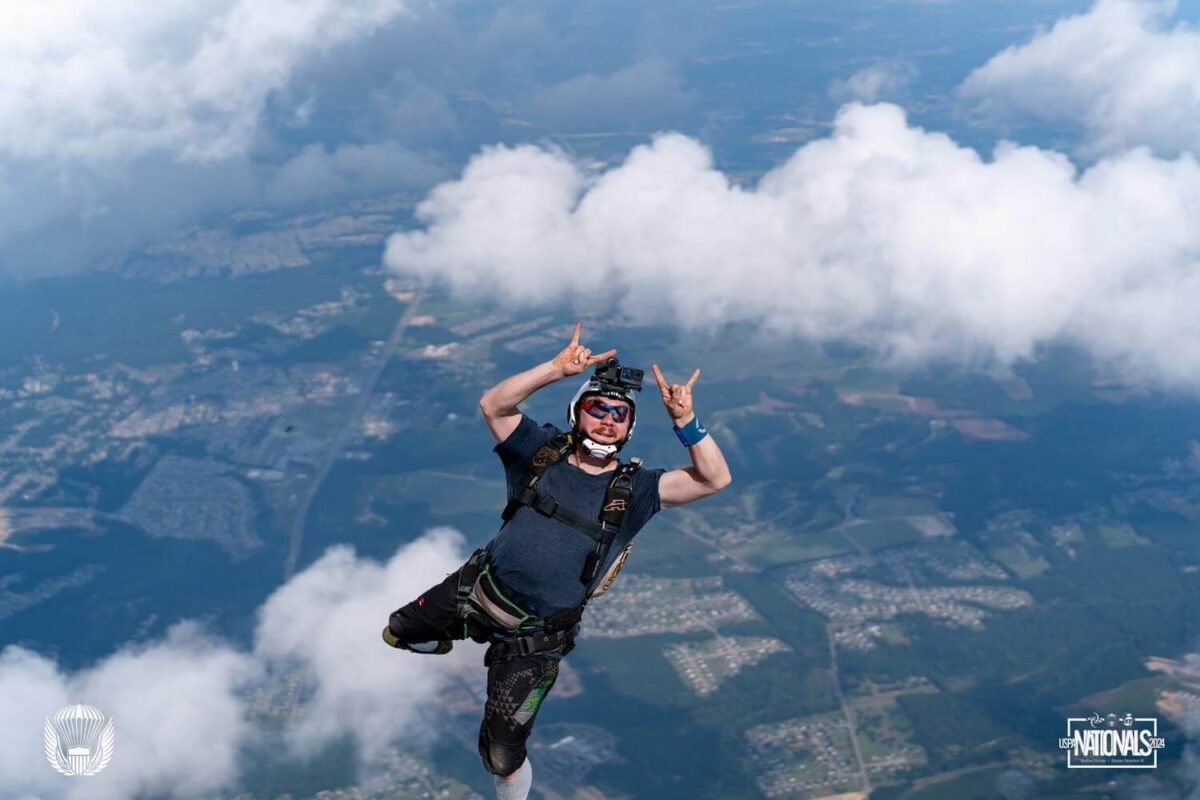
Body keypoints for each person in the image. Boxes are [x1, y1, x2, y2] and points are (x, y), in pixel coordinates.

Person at [383, 322, 732, 800]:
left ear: (629, 428)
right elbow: (494, 405)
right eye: (599, 409)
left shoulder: (639, 491)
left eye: (620, 414)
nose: (609, 420)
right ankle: (451, 636)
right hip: (474, 593)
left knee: (501, 755)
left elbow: (714, 479)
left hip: (536, 639)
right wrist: (554, 369)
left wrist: (686, 422)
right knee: (397, 631)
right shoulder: (537, 453)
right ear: (577, 413)